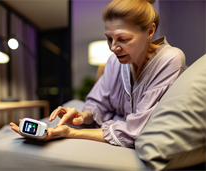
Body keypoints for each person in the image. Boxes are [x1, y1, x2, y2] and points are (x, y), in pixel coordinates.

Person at [10, 0, 186, 148]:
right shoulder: (113, 62)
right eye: (109, 39)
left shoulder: (170, 59)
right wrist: (82, 116)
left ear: (149, 31)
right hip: (108, 125)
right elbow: (97, 104)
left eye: (123, 39)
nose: (113, 48)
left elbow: (136, 131)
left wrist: (70, 133)